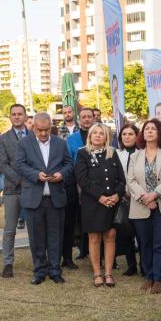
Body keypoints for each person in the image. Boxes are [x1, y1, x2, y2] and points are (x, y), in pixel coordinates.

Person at [15, 113, 73, 284]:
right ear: (33, 127)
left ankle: (55, 270)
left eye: (46, 130)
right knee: (36, 237)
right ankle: (39, 270)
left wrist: (60, 174)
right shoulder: (24, 143)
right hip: (34, 199)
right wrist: (35, 175)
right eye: (39, 130)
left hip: (55, 198)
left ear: (50, 127)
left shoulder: (60, 143)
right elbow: (19, 164)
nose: (43, 133)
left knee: (56, 237)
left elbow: (69, 164)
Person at [127, 118, 161, 294]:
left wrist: (154, 195)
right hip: (141, 206)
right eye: (146, 129)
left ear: (159, 133)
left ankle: (159, 278)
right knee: (145, 243)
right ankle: (149, 276)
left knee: (160, 243)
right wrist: (145, 198)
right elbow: (130, 181)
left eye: (153, 129)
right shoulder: (135, 156)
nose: (149, 131)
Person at [74, 124, 125, 287]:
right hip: (93, 203)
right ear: (89, 136)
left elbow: (121, 179)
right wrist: (101, 197)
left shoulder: (112, 153)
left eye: (101, 133)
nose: (97, 135)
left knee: (110, 236)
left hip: (112, 202)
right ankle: (97, 273)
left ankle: (108, 273)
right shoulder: (83, 153)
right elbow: (82, 180)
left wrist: (117, 195)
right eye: (94, 133)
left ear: (106, 137)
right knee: (94, 237)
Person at [0, 104, 30, 278]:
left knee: (36, 228)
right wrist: (19, 180)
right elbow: (2, 164)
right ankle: (8, 263)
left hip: (33, 188)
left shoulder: (34, 136)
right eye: (13, 114)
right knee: (9, 229)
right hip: (11, 190)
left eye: (20, 114)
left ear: (25, 116)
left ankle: (40, 261)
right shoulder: (3, 139)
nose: (16, 117)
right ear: (10, 117)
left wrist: (30, 180)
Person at [63, 106, 96, 266]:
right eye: (83, 117)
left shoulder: (101, 136)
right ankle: (76, 253)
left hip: (97, 184)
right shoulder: (71, 139)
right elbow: (68, 162)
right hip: (75, 185)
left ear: (94, 118)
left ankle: (97, 253)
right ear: (79, 119)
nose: (87, 119)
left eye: (89, 116)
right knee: (74, 219)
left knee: (95, 219)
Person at [115, 123, 140, 276]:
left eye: (130, 134)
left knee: (141, 233)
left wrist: (135, 192)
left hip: (140, 198)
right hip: (123, 198)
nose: (127, 137)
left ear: (136, 136)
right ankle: (131, 265)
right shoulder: (116, 154)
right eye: (124, 134)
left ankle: (145, 264)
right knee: (126, 233)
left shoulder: (142, 153)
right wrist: (123, 192)